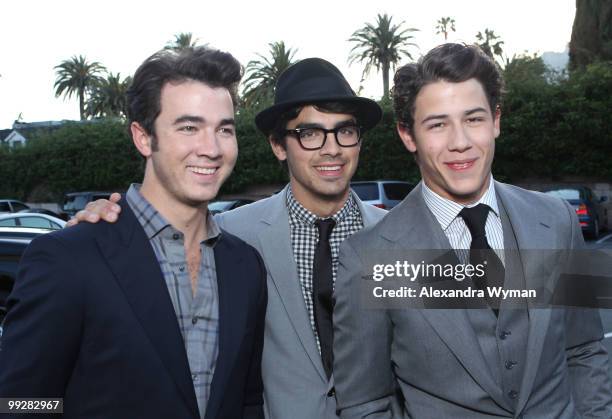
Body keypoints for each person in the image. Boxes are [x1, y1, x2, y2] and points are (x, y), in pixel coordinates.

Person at [69, 58, 394, 419]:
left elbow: (450, 349)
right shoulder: (229, 238)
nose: (331, 148)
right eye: (309, 133)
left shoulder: (401, 238)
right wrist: (108, 220)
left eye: (345, 131)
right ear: (278, 145)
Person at [332, 43, 612, 418]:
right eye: (437, 124)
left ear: (496, 120)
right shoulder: (369, 257)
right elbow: (365, 402)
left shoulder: (558, 221)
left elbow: (586, 349)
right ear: (408, 135)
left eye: (474, 119)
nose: (460, 142)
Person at [0, 46, 267, 419]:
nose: (211, 148)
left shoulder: (245, 267)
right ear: (144, 138)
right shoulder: (67, 260)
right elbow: (19, 405)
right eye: (189, 127)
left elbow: (248, 400)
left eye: (224, 129)